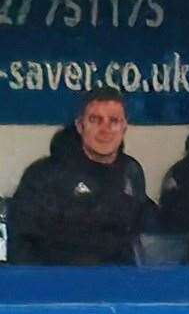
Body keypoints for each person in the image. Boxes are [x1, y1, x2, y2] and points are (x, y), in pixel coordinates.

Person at [6, 88, 155, 265]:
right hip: (58, 284)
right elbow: (22, 243)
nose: (105, 129)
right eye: (95, 120)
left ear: (124, 127)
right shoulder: (44, 175)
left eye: (113, 121)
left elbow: (145, 228)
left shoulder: (131, 171)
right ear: (80, 125)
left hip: (118, 285)